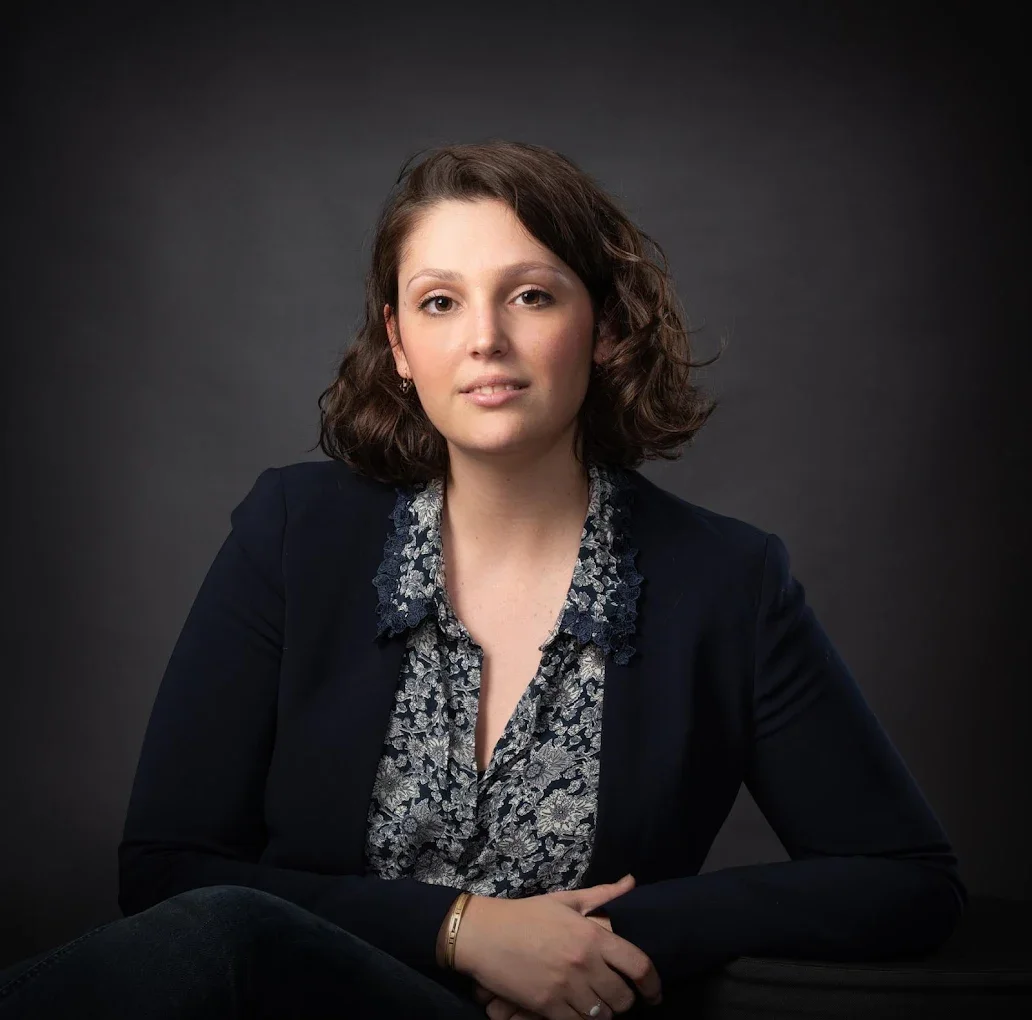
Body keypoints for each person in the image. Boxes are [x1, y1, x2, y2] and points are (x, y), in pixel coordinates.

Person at [0, 139, 966, 1020]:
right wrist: (462, 929)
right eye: (440, 301)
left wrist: (607, 944)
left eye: (532, 295)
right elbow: (165, 870)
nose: (485, 340)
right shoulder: (295, 531)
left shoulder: (727, 579)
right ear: (399, 344)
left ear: (605, 326)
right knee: (220, 936)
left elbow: (905, 878)